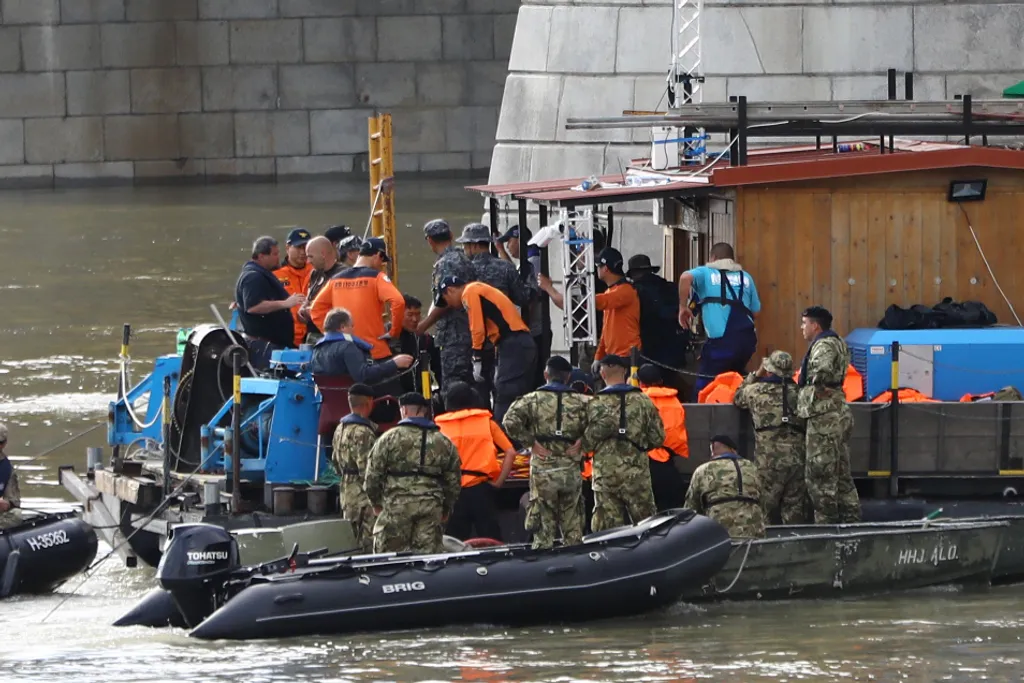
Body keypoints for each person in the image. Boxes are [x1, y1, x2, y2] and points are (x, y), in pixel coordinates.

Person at [503, 355, 589, 549]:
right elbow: (604, 421)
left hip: (543, 470)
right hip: (570, 469)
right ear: (568, 377)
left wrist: (530, 443)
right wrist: (584, 442)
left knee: (543, 528)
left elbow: (509, 420)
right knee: (573, 526)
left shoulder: (531, 400)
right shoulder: (582, 401)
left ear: (546, 375)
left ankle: (544, 558)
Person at [364, 392, 462, 554]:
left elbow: (372, 477)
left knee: (391, 558)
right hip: (430, 507)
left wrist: (376, 503)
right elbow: (453, 482)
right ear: (424, 411)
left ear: (403, 410)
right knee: (428, 559)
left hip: (396, 506)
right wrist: (446, 508)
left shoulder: (388, 439)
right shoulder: (444, 442)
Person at [436, 276, 537, 423]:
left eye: (446, 300)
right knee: (519, 393)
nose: (449, 305)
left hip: (513, 343)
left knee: (504, 392)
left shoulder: (469, 292)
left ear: (450, 290)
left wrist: (476, 357)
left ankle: (502, 432)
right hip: (519, 343)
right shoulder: (480, 289)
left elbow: (477, 328)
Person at [581, 355, 663, 531]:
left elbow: (585, 444)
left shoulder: (594, 403)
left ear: (602, 373)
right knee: (647, 527)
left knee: (607, 532)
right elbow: (658, 438)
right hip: (637, 473)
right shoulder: (643, 401)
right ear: (625, 372)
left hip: (605, 475)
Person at [309, 237, 405, 381]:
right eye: (382, 261)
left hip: (344, 356)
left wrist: (334, 334)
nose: (381, 265)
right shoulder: (377, 277)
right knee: (390, 392)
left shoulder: (335, 280)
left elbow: (315, 310)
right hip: (375, 352)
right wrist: (394, 332)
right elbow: (398, 302)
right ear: (378, 255)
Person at [797, 306, 860, 524]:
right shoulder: (838, 342)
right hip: (837, 411)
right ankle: (851, 522)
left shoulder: (824, 345)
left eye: (804, 323)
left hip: (823, 416)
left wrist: (815, 382)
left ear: (815, 326)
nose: (802, 328)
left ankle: (826, 526)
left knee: (820, 475)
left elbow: (822, 370)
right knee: (841, 474)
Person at [457, 223, 533, 403]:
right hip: (504, 340)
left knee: (478, 393)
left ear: (474, 245)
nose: (464, 250)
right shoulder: (505, 268)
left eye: (466, 245)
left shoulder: (464, 272)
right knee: (504, 390)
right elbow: (523, 298)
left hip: (474, 343)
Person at [539, 247, 640, 375]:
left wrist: (550, 288)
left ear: (605, 268)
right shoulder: (613, 290)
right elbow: (606, 330)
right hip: (616, 356)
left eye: (598, 266)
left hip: (626, 357)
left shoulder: (625, 290)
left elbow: (597, 302)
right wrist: (598, 356)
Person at [733, 350, 807, 525]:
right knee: (795, 511)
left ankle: (765, 541)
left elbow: (737, 397)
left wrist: (756, 374)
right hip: (798, 460)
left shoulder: (755, 391)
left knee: (763, 510)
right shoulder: (801, 394)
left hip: (768, 462)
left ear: (768, 370)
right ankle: (795, 540)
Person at [677, 242, 761, 399]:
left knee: (705, 387)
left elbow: (685, 277)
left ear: (713, 258)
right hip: (746, 343)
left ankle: (702, 413)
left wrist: (682, 307)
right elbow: (755, 312)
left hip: (721, 344)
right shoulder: (746, 277)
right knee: (735, 381)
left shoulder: (706, 272)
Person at [435, 382, 516, 541]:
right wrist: (499, 482)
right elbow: (511, 452)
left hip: (452, 491)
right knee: (492, 542)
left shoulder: (438, 428)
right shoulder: (487, 423)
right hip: (481, 490)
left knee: (453, 543)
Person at [418, 218, 477, 392]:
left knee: (453, 388)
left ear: (430, 240)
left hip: (454, 335)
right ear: (451, 235)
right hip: (469, 330)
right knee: (466, 385)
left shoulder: (446, 264)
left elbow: (445, 302)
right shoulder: (463, 258)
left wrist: (423, 325)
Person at [234, 236, 305, 369]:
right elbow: (253, 307)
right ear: (261, 256)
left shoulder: (261, 274)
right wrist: (285, 303)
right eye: (274, 254)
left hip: (272, 345)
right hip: (263, 349)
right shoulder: (253, 276)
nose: (278, 257)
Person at [627, 254, 690, 393]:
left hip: (648, 348)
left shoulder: (634, 291)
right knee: (670, 386)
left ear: (634, 273)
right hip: (674, 348)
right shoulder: (670, 287)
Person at [684, 435, 765, 539]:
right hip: (754, 530)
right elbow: (764, 500)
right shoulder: (752, 468)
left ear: (712, 450)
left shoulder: (703, 470)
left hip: (719, 531)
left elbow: (690, 508)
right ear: (733, 450)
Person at [497, 224, 547, 389]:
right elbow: (515, 276)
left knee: (532, 381)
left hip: (535, 331)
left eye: (509, 242)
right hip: (531, 331)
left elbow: (531, 298)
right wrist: (500, 249)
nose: (508, 246)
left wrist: (522, 327)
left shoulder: (533, 262)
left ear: (518, 240)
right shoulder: (528, 262)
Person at [309, 308, 413, 385]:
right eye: (351, 326)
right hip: (353, 402)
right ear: (343, 327)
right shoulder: (348, 347)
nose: (353, 330)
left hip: (327, 405)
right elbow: (363, 376)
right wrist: (394, 363)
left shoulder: (317, 349)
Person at [332, 383, 379, 553]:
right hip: (363, 496)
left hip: (346, 491)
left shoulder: (340, 428)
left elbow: (335, 463)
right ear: (369, 402)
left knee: (350, 540)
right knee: (368, 542)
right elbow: (368, 471)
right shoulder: (364, 433)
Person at [636, 364, 688, 511]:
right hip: (668, 463)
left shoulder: (637, 401)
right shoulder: (675, 401)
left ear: (641, 383)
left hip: (643, 463)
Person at [273, 227, 314, 348]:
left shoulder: (316, 270)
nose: (303, 252)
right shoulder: (274, 274)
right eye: (299, 247)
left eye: (306, 247)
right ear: (287, 247)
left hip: (312, 335)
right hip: (286, 337)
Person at [302, 235, 346, 343]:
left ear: (323, 254)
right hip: (313, 333)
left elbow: (343, 308)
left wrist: (313, 310)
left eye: (310, 256)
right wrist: (303, 309)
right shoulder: (315, 273)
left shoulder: (342, 274)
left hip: (333, 335)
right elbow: (309, 298)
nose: (308, 261)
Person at [398, 294, 439, 394]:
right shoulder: (386, 340)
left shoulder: (425, 339)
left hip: (422, 394)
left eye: (418, 314)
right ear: (396, 313)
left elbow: (439, 368)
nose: (415, 319)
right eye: (410, 315)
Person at [0, 423, 22, 529]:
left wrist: (7, 504)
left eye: (0, 442)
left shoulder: (7, 469)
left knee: (16, 514)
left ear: (4, 443)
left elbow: (14, 501)